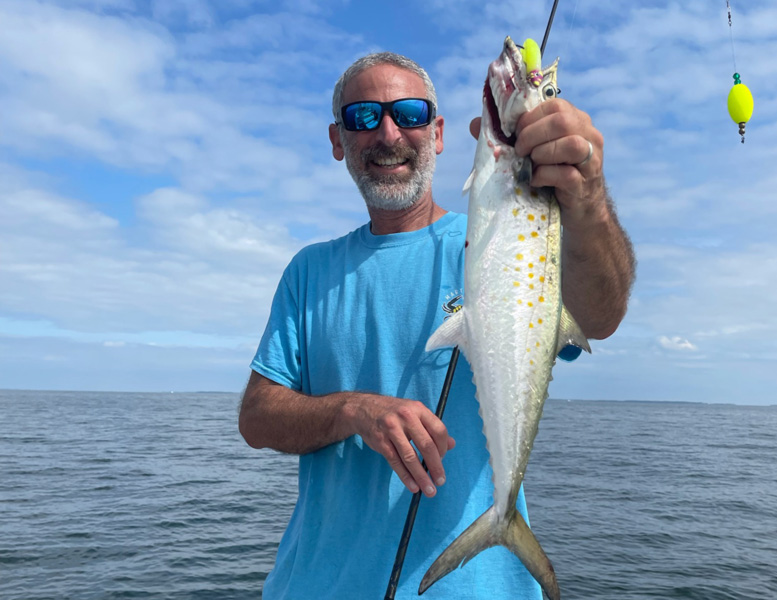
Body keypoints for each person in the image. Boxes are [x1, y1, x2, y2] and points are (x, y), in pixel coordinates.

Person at [239, 51, 635, 600]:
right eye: (362, 117)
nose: (388, 132)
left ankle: (501, 529)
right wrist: (354, 411)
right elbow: (257, 417)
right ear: (338, 141)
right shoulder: (309, 271)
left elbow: (600, 315)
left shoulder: (500, 244)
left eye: (409, 112)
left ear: (440, 132)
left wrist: (587, 198)